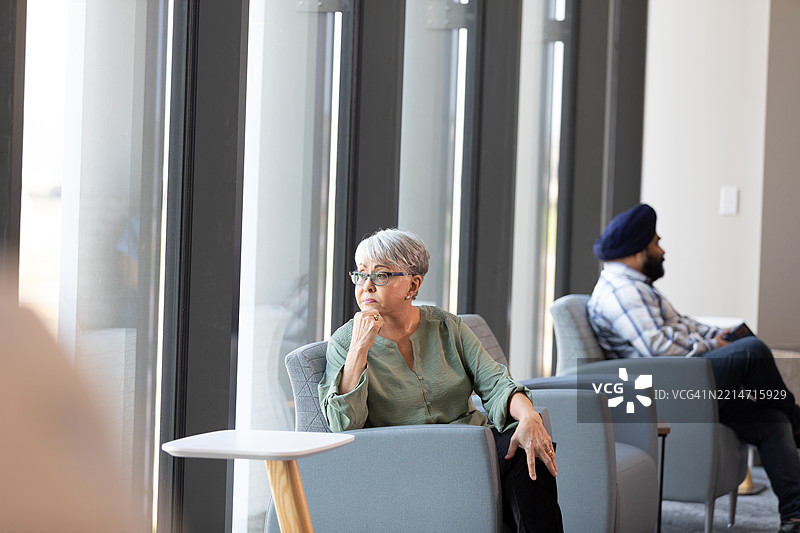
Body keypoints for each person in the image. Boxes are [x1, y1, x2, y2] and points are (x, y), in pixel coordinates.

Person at [319, 228, 563, 532]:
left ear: (413, 284)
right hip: (404, 463)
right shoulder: (345, 342)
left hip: (470, 449)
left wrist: (529, 418)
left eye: (380, 275)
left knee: (530, 447)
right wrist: (359, 350)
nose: (366, 286)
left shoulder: (446, 326)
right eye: (361, 274)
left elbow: (496, 382)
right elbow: (343, 426)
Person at [587, 203, 800, 533]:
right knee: (753, 351)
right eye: (656, 242)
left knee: (770, 420)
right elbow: (659, 351)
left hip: (689, 380)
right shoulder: (620, 293)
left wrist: (722, 337)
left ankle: (795, 516)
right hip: (666, 389)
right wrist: (718, 346)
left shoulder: (640, 288)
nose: (662, 249)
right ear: (636, 250)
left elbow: (687, 327)